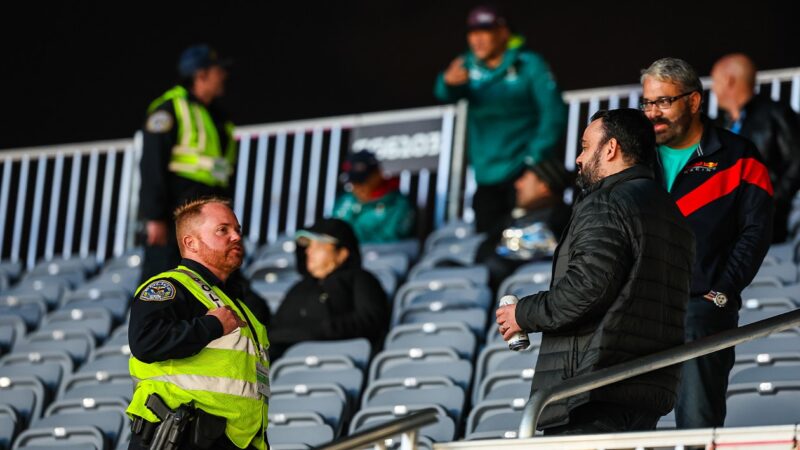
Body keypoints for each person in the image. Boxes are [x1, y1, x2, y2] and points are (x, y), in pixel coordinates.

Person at [495, 109, 695, 435]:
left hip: (592, 388)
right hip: (647, 389)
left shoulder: (607, 201)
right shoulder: (669, 211)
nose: (578, 158)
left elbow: (589, 288)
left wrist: (522, 313)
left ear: (611, 148)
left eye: (586, 147)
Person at [640, 57, 774, 429]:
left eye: (664, 101)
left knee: (697, 426)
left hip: (700, 308)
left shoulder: (740, 156)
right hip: (635, 308)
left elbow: (756, 232)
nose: (654, 113)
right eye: (648, 103)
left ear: (695, 101)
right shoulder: (633, 157)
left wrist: (721, 291)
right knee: (623, 425)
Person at [127, 197, 269, 450]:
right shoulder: (170, 286)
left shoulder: (239, 305)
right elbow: (145, 341)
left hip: (232, 442)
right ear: (190, 242)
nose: (236, 236)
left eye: (237, 230)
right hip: (180, 437)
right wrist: (211, 326)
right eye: (222, 230)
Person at [433, 4, 567, 233]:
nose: (477, 39)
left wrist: (535, 156)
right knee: (488, 240)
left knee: (532, 235)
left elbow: (553, 113)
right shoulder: (466, 64)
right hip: (486, 175)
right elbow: (445, 93)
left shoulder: (528, 63)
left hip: (523, 170)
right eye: (472, 32)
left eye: (485, 31)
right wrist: (447, 82)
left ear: (503, 33)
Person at [139, 44, 236, 282]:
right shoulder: (169, 108)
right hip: (177, 205)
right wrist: (155, 217)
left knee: (215, 278)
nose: (223, 75)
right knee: (166, 275)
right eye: (217, 70)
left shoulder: (219, 117)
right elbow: (152, 165)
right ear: (200, 74)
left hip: (210, 202)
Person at [268, 218, 390, 359]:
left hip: (337, 361)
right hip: (287, 365)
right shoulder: (298, 288)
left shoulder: (361, 280)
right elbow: (276, 329)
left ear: (342, 253)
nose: (308, 251)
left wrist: (320, 330)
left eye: (318, 245)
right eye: (307, 246)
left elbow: (371, 320)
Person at [711, 53, 800, 243]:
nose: (713, 89)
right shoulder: (720, 124)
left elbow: (797, 161)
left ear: (729, 80)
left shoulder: (776, 114)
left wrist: (771, 202)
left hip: (765, 227)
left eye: (715, 81)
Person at [475, 156, 573, 291]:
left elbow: (497, 264)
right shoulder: (522, 217)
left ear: (544, 186)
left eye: (525, 178)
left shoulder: (553, 221)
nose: (518, 184)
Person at [332, 150, 415, 243]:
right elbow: (331, 233)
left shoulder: (398, 204)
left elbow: (391, 241)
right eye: (353, 182)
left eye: (362, 181)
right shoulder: (346, 199)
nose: (357, 187)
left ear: (378, 174)